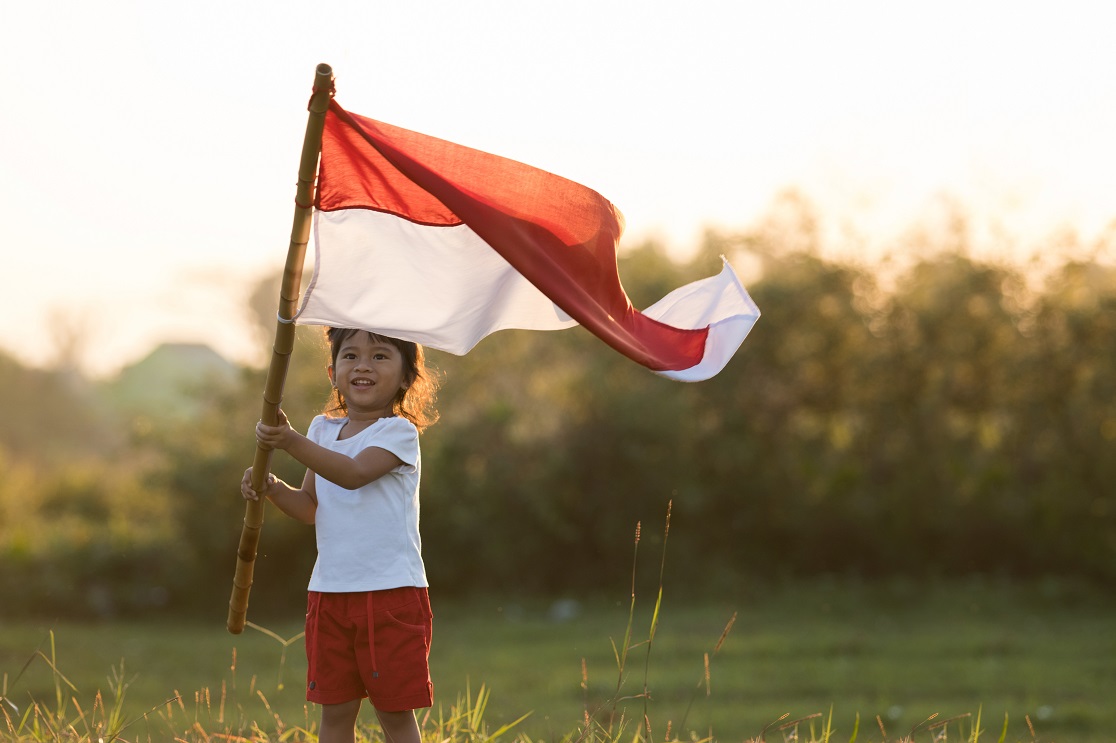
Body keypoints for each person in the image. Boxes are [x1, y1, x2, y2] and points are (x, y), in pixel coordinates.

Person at [241, 327, 440, 743]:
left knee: (395, 714)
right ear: (333, 372)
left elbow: (353, 475)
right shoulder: (322, 430)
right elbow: (311, 508)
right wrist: (272, 487)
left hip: (390, 596)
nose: (363, 364)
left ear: (407, 376)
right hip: (330, 594)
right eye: (350, 355)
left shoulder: (397, 433)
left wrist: (291, 441)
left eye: (381, 356)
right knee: (335, 713)